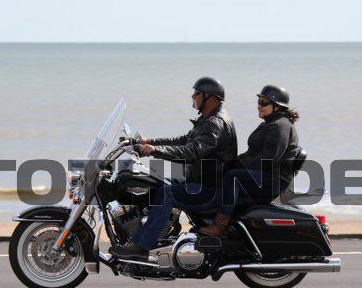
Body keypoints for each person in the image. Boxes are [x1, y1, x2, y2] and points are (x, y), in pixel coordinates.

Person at [109, 77, 237, 260]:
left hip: (210, 188)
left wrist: (154, 151)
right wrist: (148, 142)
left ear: (209, 97)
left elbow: (192, 151)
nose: (193, 96)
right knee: (156, 181)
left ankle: (142, 245)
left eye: (196, 93)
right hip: (199, 179)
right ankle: (157, 232)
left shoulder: (215, 123)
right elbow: (183, 141)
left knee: (167, 193)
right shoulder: (207, 119)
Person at [199, 85, 301, 237]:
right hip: (263, 175)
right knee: (223, 171)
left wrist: (238, 165)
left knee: (234, 176)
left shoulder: (280, 126)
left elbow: (268, 159)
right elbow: (252, 153)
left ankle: (220, 225)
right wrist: (230, 162)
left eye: (264, 103)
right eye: (259, 101)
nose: (259, 106)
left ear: (277, 106)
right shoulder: (268, 123)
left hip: (273, 181)